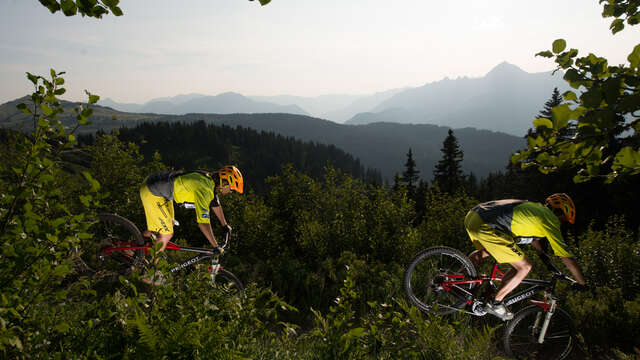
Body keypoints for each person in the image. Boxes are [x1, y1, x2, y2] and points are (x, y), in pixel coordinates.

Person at [464, 193, 586, 320]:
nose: (560, 223)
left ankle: (456, 281)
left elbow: (533, 238)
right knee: (525, 267)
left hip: (473, 216)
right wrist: (582, 283)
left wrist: (543, 257)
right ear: (559, 213)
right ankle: (496, 303)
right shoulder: (550, 219)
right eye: (563, 219)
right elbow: (566, 257)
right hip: (486, 227)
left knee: (486, 252)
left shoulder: (535, 208)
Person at [138, 165, 244, 284]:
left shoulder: (209, 180)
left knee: (166, 225)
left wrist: (225, 225)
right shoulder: (204, 188)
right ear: (224, 183)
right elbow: (203, 224)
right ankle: (149, 271)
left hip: (159, 188)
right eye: (232, 189)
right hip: (154, 192)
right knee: (166, 234)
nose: (230, 192)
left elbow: (215, 204)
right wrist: (215, 246)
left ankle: (136, 251)